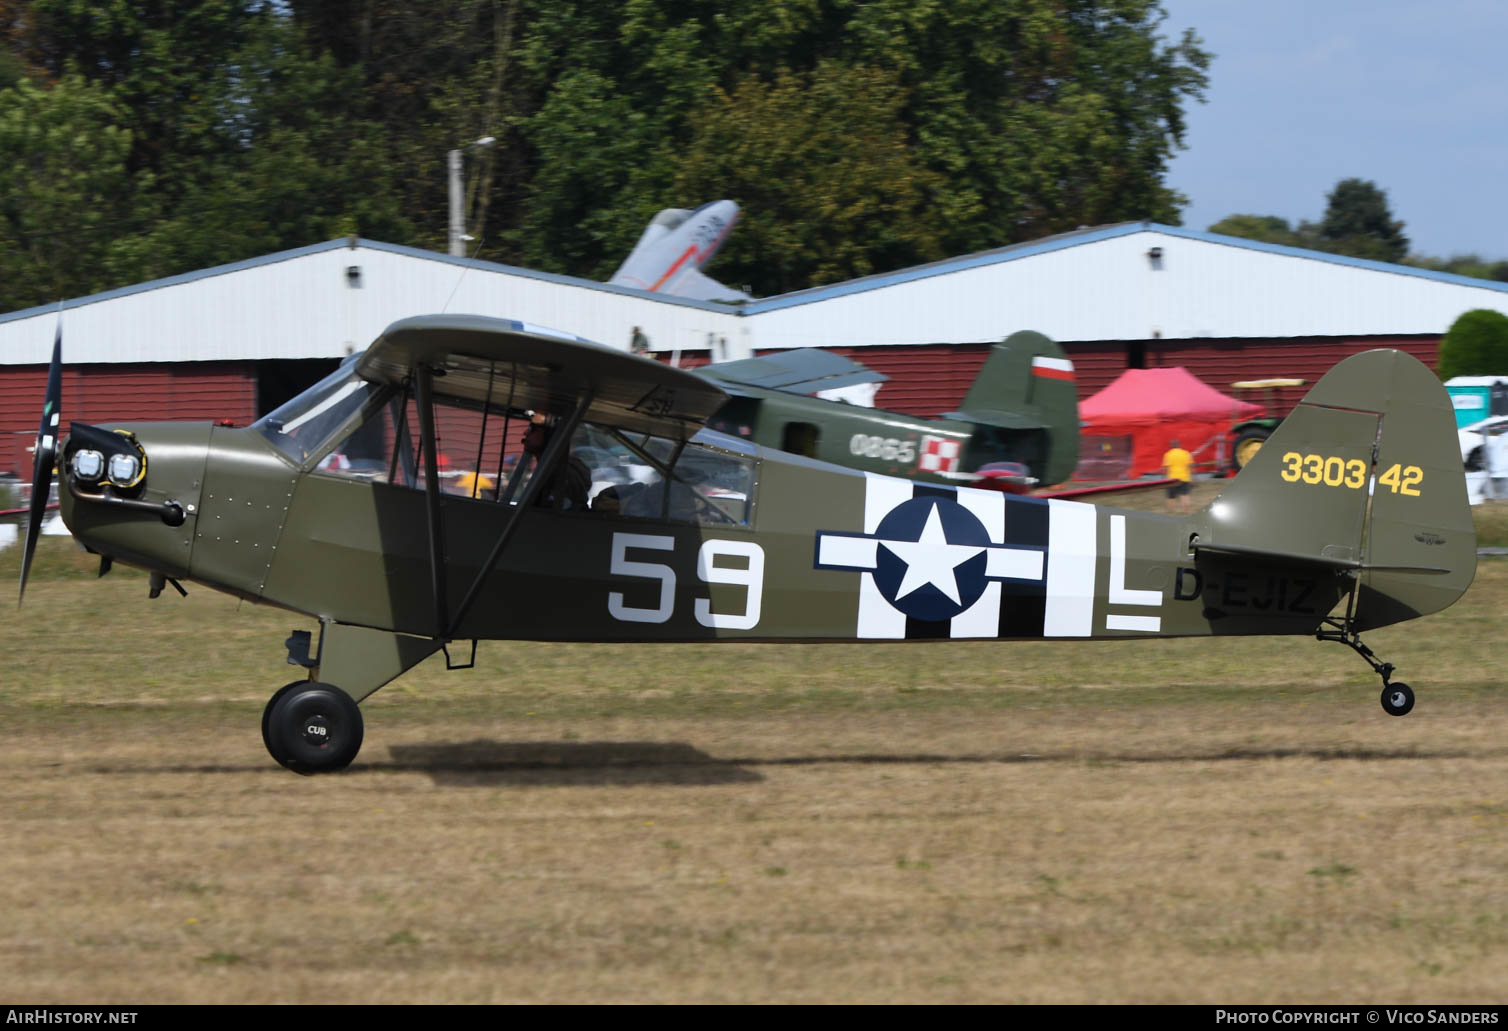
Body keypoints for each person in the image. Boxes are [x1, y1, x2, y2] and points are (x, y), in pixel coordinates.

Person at [520, 413, 590, 511]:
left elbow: (559, 517)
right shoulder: (548, 468)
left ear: (550, 434)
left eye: (533, 429)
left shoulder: (563, 472)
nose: (526, 433)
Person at [1162, 439, 1195, 513]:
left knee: (1171, 497)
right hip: (1185, 478)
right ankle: (1186, 511)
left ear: (1171, 446)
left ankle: (1171, 512)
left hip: (1172, 479)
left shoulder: (1168, 454)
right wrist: (1192, 478)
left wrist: (1164, 479)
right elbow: (1191, 466)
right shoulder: (1186, 453)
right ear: (1180, 445)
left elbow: (1166, 468)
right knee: (1185, 495)